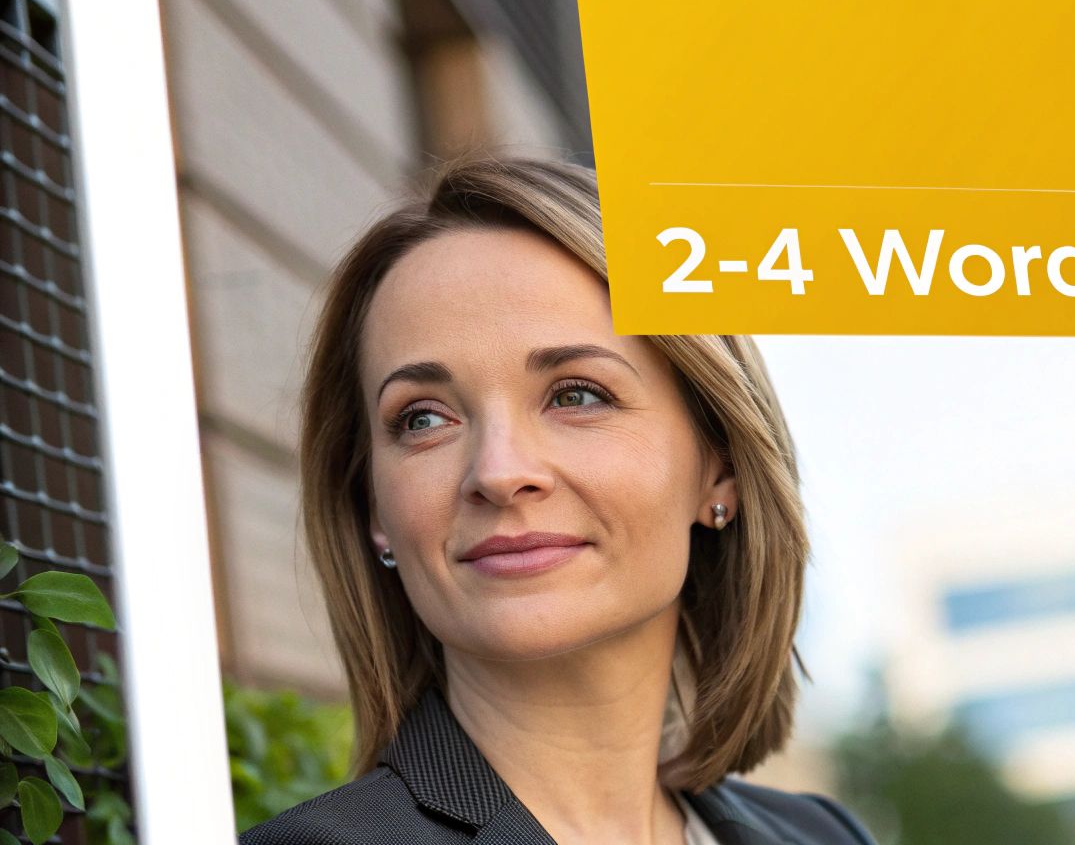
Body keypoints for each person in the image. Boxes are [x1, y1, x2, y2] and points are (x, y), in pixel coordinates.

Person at [241, 156, 874, 845]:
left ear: (717, 469)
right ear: (373, 511)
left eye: (576, 395)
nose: (499, 471)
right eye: (423, 418)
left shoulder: (824, 835)